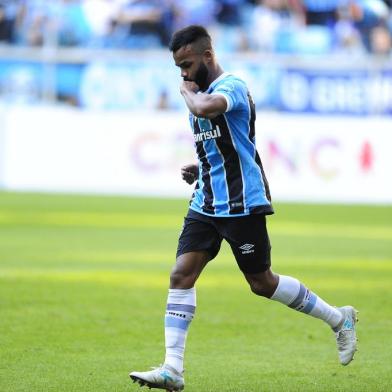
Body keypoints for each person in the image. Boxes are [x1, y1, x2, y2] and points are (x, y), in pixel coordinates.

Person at [130, 25, 358, 392]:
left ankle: (338, 319)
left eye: (187, 65)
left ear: (207, 56)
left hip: (241, 204)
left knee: (261, 282)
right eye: (178, 69)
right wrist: (200, 166)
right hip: (206, 201)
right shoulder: (200, 89)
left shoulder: (229, 86)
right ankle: (173, 368)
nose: (184, 75)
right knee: (181, 274)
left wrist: (186, 92)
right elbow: (220, 140)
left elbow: (205, 109)